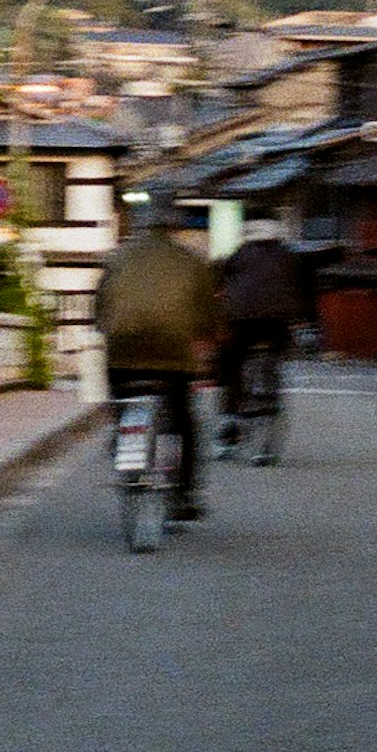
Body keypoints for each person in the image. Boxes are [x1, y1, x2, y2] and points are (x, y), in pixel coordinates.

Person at [93, 201, 223, 522]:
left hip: (122, 352)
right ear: (173, 227)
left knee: (121, 398)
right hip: (173, 356)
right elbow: (208, 316)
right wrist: (209, 341)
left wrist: (105, 328)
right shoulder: (191, 261)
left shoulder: (117, 257)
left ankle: (122, 431)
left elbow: (99, 308)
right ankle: (184, 494)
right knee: (183, 420)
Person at [215, 216, 304, 448]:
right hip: (277, 324)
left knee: (230, 363)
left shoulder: (240, 254)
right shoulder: (288, 256)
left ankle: (229, 416)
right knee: (274, 356)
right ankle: (269, 395)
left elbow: (220, 279)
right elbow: (302, 289)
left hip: (241, 322)